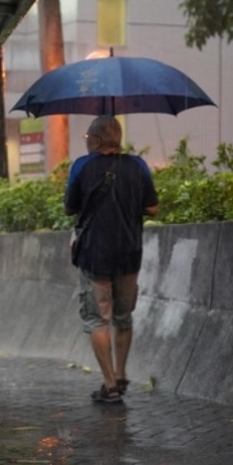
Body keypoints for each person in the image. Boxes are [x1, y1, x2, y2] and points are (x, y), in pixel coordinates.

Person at [64, 116, 159, 404]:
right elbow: (152, 208)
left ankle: (110, 385)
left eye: (87, 138)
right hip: (129, 253)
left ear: (96, 139)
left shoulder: (83, 165)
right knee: (123, 316)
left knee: (97, 319)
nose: (87, 142)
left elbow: (70, 208)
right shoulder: (138, 165)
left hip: (94, 254)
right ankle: (120, 373)